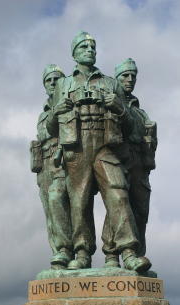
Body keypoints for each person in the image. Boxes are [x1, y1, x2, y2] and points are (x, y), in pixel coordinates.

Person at [52, 31, 150, 272]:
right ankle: (82, 252)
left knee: (118, 193)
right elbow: (50, 128)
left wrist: (119, 108)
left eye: (93, 46)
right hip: (76, 146)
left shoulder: (111, 83)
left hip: (106, 145)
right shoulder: (63, 84)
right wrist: (57, 112)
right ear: (73, 53)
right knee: (79, 201)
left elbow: (130, 127)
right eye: (84, 46)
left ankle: (127, 251)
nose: (90, 50)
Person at [102, 58, 157, 268]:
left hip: (140, 164)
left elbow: (148, 139)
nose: (130, 79)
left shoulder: (141, 111)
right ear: (116, 78)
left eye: (133, 75)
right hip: (119, 158)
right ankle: (112, 255)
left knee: (140, 211)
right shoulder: (111, 102)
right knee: (118, 204)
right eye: (125, 75)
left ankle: (138, 255)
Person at [30, 64, 73, 269]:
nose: (53, 83)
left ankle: (68, 250)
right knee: (50, 214)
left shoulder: (68, 104)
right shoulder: (43, 113)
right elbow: (42, 135)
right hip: (45, 164)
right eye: (49, 80)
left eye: (57, 79)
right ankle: (59, 255)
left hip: (63, 161)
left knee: (60, 201)